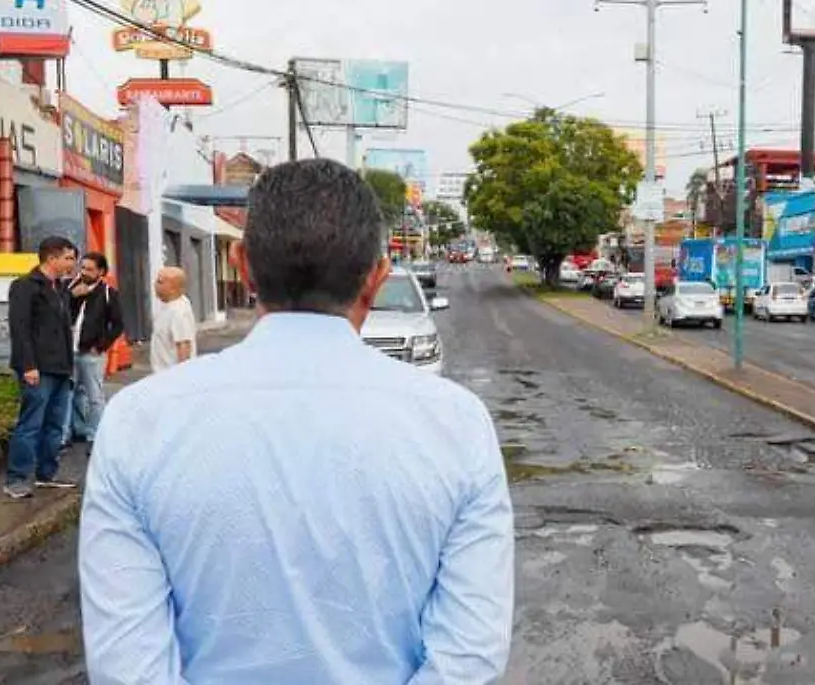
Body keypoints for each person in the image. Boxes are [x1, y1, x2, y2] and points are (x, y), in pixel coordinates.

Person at [80, 159, 514, 683]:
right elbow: (468, 659)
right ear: (376, 279)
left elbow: (128, 667)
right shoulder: (456, 426)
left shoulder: (138, 423)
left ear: (242, 266)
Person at [5, 236, 79, 500]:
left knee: (55, 424)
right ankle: (17, 477)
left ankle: (48, 472)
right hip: (37, 367)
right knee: (31, 423)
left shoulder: (60, 288)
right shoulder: (25, 286)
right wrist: (28, 365)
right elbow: (20, 328)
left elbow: (64, 330)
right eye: (68, 258)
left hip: (60, 366)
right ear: (52, 258)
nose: (72, 263)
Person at [68, 252, 125, 444]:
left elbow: (117, 325)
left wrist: (101, 346)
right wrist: (71, 296)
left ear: (100, 271)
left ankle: (95, 434)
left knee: (94, 396)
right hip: (69, 350)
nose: (83, 272)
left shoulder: (108, 293)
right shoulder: (71, 288)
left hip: (92, 353)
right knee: (73, 393)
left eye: (89, 269)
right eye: (82, 267)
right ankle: (78, 429)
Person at [149, 267, 198, 373]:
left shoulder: (179, 312)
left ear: (173, 287)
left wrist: (180, 376)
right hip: (161, 375)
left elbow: (184, 346)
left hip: (171, 377)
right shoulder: (168, 304)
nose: (155, 285)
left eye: (160, 282)